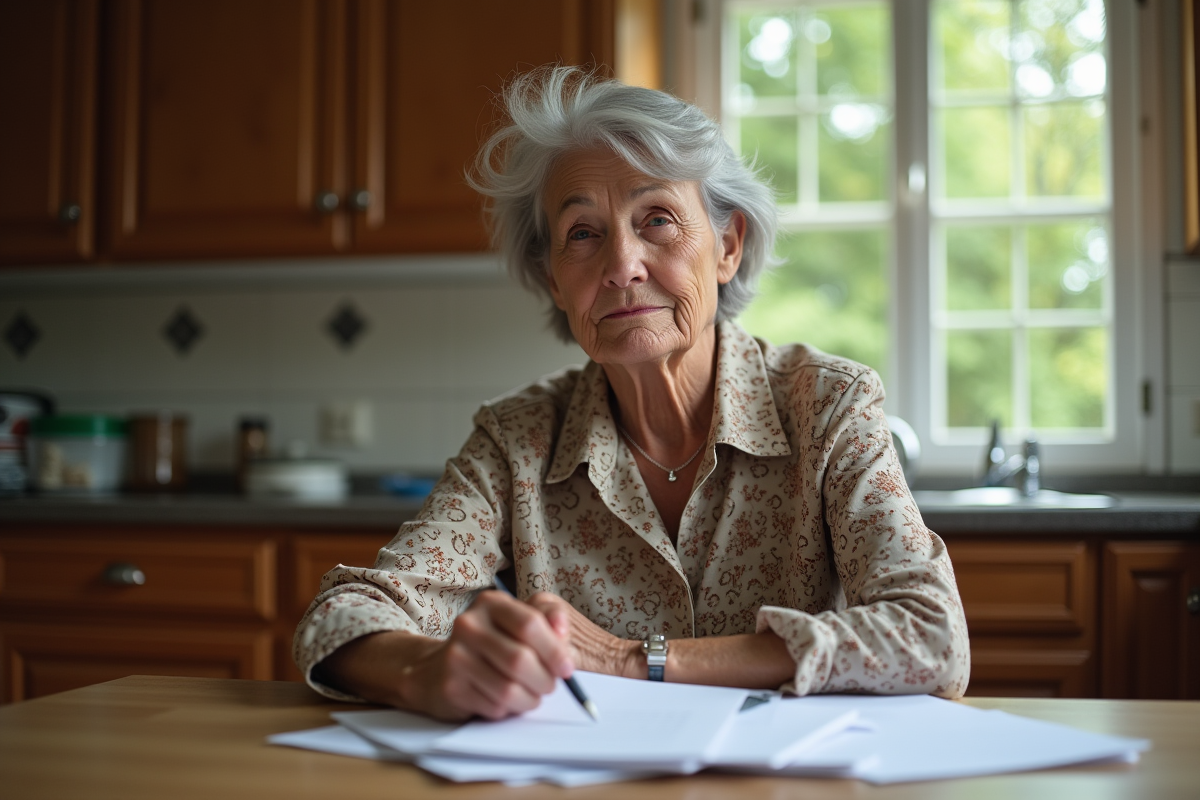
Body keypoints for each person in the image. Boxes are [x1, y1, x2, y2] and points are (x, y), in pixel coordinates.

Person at [295, 66, 970, 721]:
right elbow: (340, 616)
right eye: (582, 234)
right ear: (555, 281)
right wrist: (425, 669)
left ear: (727, 246)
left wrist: (629, 659)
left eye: (658, 220)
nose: (621, 266)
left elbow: (933, 637)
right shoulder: (517, 440)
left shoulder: (826, 404)